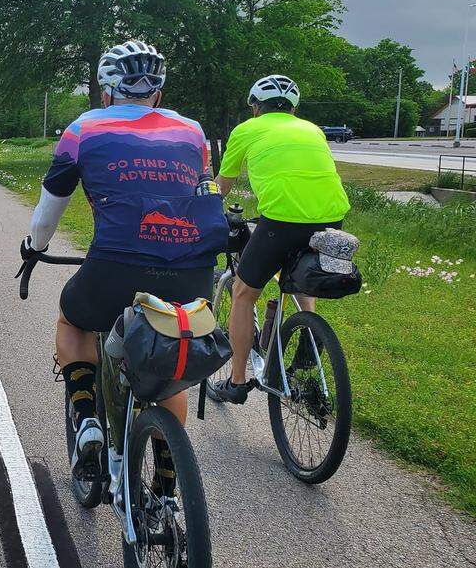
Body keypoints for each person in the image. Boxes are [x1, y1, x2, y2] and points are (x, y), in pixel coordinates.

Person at [22, 40, 226, 491]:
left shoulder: (81, 129)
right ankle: (169, 479)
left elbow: (49, 211)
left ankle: (87, 416)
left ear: (106, 90)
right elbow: (205, 196)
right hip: (191, 270)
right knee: (169, 369)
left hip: (114, 266)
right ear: (157, 92)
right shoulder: (193, 132)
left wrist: (33, 248)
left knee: (73, 320)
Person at [208, 74, 350, 404]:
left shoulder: (246, 130)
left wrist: (204, 208)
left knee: (244, 293)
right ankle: (310, 338)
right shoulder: (312, 129)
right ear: (293, 109)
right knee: (300, 277)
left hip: (283, 218)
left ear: (256, 108)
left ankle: (238, 381)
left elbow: (224, 184)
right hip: (332, 217)